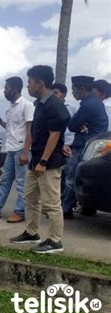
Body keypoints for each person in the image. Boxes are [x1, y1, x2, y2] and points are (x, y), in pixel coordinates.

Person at [10, 65, 70, 254]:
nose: (28, 86)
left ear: (39, 83)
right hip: (36, 160)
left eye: (29, 82)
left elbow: (54, 135)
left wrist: (43, 162)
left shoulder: (54, 104)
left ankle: (54, 240)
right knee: (30, 198)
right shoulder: (40, 105)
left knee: (51, 203)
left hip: (49, 163)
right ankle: (31, 232)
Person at [0, 77, 34, 223]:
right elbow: (11, 129)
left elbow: (30, 131)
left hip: (22, 149)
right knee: (5, 181)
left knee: (21, 183)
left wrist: (25, 152)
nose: (4, 91)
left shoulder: (26, 105)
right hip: (11, 149)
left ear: (15, 88)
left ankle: (20, 212)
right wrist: (0, 122)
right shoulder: (10, 108)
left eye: (6, 88)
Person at [61, 76, 108, 219]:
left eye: (74, 89)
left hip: (83, 146)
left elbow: (73, 125)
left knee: (71, 178)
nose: (73, 93)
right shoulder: (96, 103)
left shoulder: (88, 105)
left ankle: (65, 209)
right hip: (93, 146)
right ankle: (87, 207)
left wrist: (81, 126)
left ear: (82, 89)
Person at [51, 83, 78, 202]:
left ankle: (66, 206)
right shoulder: (50, 108)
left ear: (64, 94)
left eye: (56, 93)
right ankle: (56, 202)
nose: (53, 95)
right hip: (55, 146)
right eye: (52, 93)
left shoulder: (72, 108)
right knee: (56, 177)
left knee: (69, 176)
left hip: (69, 145)